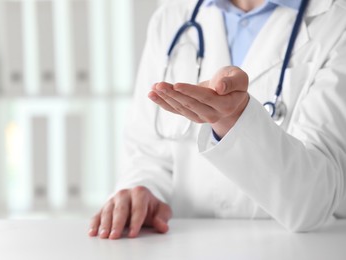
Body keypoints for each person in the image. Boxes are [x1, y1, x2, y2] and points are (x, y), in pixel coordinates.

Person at [89, 0, 346, 240]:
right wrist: (141, 191)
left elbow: (315, 202)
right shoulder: (172, 16)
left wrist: (235, 120)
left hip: (295, 249)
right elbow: (147, 152)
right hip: (184, 246)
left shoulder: (337, 21)